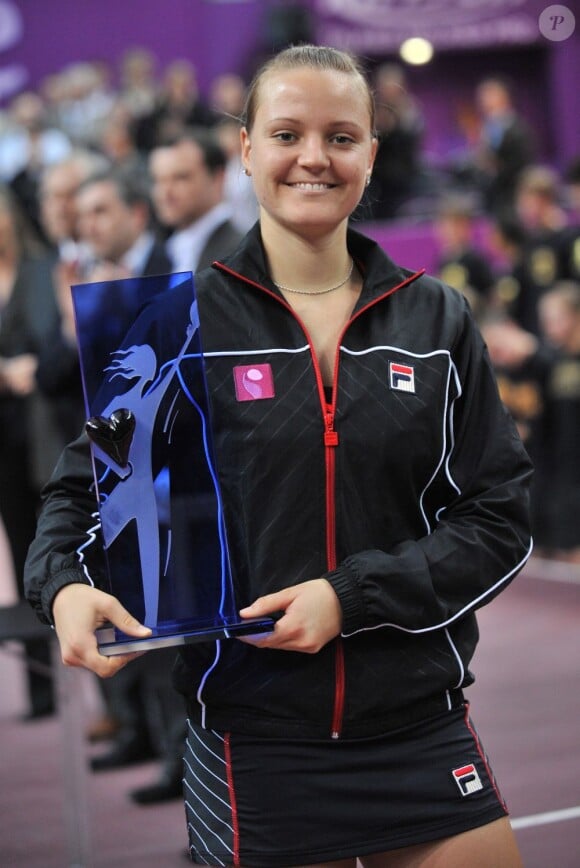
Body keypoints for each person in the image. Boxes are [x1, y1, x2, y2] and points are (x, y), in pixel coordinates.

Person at [25, 45, 532, 867]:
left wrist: (351, 598)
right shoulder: (173, 324)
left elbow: (499, 519)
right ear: (248, 150)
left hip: (420, 721)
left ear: (372, 152)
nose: (313, 158)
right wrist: (66, 588)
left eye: (341, 136)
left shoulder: (436, 320)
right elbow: (83, 495)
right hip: (254, 740)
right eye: (287, 132)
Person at [149, 126, 244, 274]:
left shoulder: (240, 253)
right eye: (158, 180)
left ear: (218, 179)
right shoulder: (165, 251)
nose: (165, 192)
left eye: (180, 178)